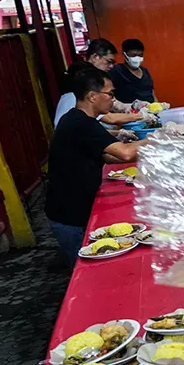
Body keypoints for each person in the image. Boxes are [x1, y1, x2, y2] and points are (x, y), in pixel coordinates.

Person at [46, 65, 141, 266]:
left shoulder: (79, 119)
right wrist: (160, 139)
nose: (113, 99)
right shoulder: (81, 123)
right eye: (110, 94)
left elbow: (108, 157)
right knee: (88, 268)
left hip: (74, 209)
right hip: (70, 215)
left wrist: (147, 154)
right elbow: (124, 153)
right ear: (92, 96)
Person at [53, 42, 143, 128]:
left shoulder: (96, 84)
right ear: (95, 57)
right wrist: (141, 116)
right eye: (109, 61)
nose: (111, 66)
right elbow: (110, 118)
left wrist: (134, 105)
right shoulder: (81, 87)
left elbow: (116, 106)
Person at [108, 38, 154, 104]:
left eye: (140, 55)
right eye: (133, 55)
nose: (137, 58)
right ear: (124, 55)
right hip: (129, 112)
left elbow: (151, 92)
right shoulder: (116, 71)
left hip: (150, 110)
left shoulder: (145, 71)